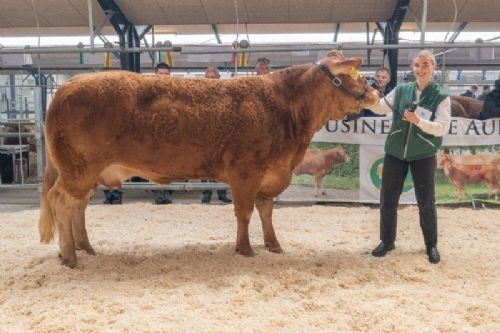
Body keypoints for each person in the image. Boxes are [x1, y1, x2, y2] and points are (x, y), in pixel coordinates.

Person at [368, 50, 451, 264]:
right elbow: (379, 108)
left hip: (423, 154)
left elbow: (442, 128)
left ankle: (430, 245)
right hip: (395, 152)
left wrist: (418, 122)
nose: (420, 69)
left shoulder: (441, 96)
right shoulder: (401, 90)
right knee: (387, 200)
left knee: (426, 202)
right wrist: (368, 94)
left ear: (433, 67)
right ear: (412, 68)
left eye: (425, 65)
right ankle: (387, 241)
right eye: (417, 65)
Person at [200, 67, 232, 204]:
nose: (211, 80)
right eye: (208, 78)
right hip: (204, 136)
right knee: (204, 164)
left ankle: (222, 192)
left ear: (218, 78)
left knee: (222, 165)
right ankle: (206, 193)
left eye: (213, 78)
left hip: (221, 136)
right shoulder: (199, 97)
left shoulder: (225, 96)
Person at [151, 62, 174, 204]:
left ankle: (168, 192)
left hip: (171, 135)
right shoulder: (149, 93)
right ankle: (158, 193)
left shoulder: (175, 93)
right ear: (155, 75)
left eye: (166, 75)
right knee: (154, 165)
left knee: (169, 164)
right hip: (154, 135)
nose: (164, 78)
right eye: (161, 75)